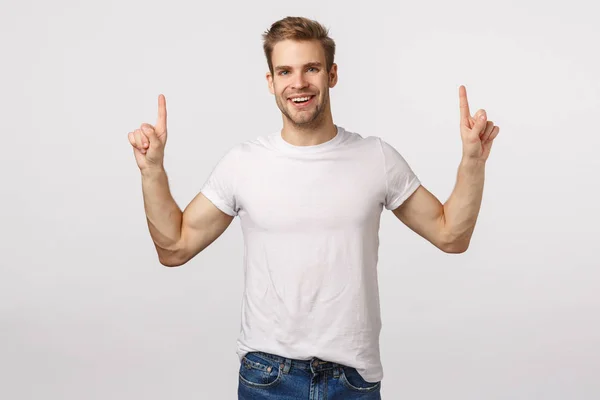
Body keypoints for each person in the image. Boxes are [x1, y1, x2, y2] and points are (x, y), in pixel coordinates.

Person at [127, 16, 500, 400]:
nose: (299, 83)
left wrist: (473, 160)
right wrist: (152, 171)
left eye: (311, 68)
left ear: (332, 74)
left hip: (353, 380)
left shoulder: (376, 158)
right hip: (268, 377)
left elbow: (451, 235)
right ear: (271, 82)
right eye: (285, 71)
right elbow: (174, 247)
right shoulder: (243, 164)